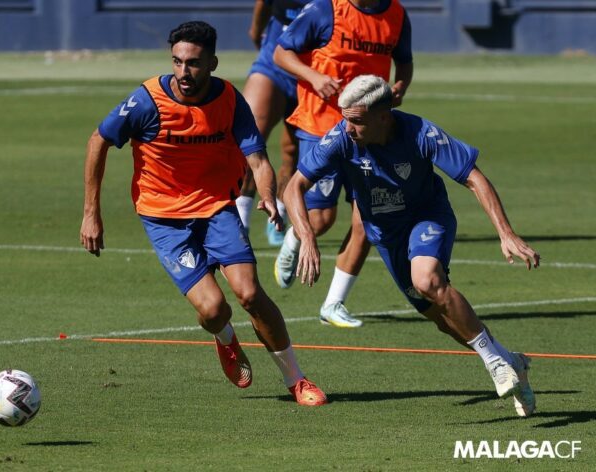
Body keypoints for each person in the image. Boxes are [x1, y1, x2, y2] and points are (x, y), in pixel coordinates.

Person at [79, 21, 326, 407]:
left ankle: (296, 380)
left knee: (249, 294)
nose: (183, 72)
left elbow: (258, 159)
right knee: (213, 310)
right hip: (164, 218)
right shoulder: (146, 101)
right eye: (177, 62)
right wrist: (91, 212)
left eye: (193, 63)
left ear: (212, 62)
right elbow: (99, 141)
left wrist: (266, 195)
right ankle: (225, 337)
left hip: (216, 209)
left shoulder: (228, 99)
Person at [284, 74, 539, 417]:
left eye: (357, 121)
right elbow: (293, 187)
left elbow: (474, 177)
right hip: (386, 236)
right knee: (444, 321)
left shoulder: (422, 133)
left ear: (383, 117)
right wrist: (308, 238)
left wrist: (506, 233)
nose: (348, 128)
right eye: (346, 119)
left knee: (427, 280)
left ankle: (494, 362)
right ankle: (511, 362)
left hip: (427, 217)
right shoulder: (341, 138)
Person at [272, 0, 414, 328]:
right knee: (320, 219)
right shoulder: (325, 10)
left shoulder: (396, 14)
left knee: (367, 219)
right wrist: (314, 76)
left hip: (368, 132)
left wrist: (400, 87)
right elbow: (281, 53)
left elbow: (404, 62)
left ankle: (333, 304)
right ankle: (295, 238)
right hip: (321, 125)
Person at [236, 0, 309, 246]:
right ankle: (240, 217)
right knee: (248, 139)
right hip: (274, 61)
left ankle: (279, 214)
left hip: (312, 71)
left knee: (294, 152)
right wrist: (256, 32)